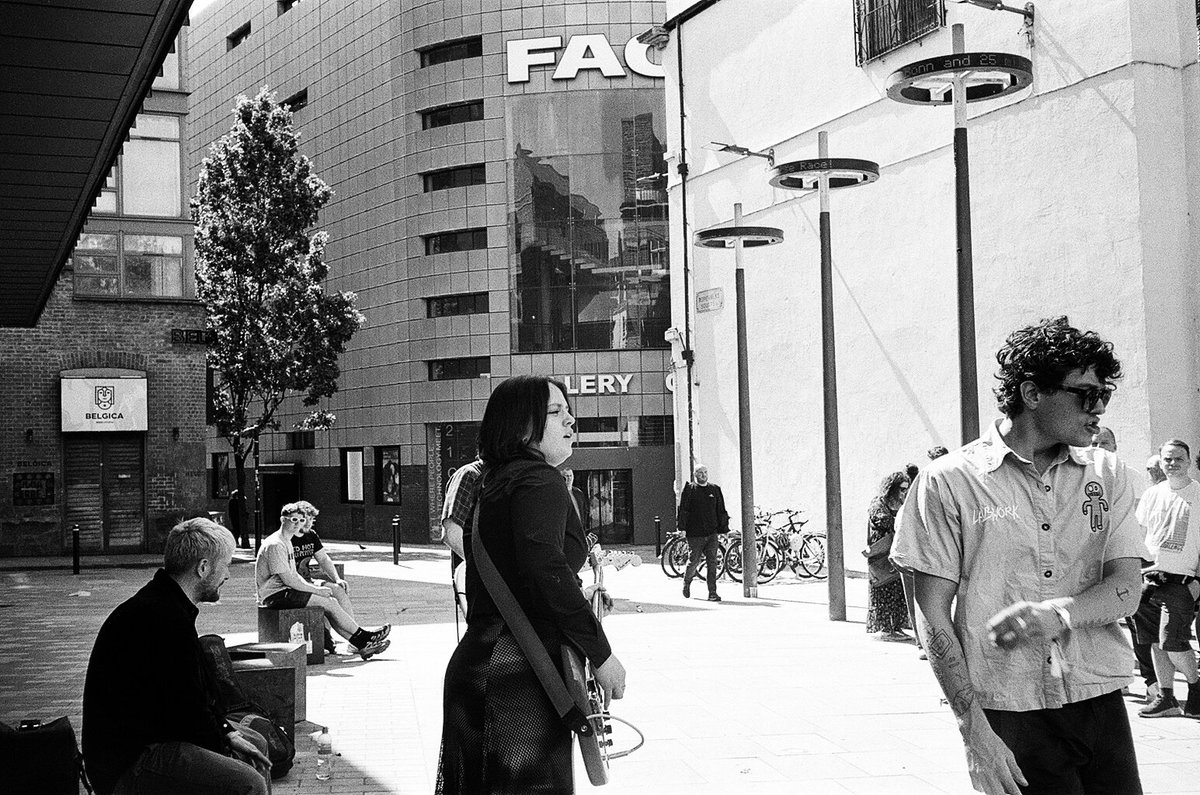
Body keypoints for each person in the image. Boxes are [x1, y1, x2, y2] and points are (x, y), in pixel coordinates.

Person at [893, 316, 1144, 795]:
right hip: (1009, 708)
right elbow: (930, 613)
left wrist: (1057, 614)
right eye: (1085, 395)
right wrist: (973, 730)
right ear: (1032, 394)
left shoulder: (1108, 473)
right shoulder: (949, 482)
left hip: (1099, 697)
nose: (1098, 411)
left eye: (1104, 396)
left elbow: (1127, 589)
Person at [436, 375, 626, 793]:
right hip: (519, 677)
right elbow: (546, 575)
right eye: (557, 412)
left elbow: (527, 577)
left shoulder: (495, 484)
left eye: (568, 410)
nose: (571, 420)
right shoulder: (538, 481)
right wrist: (603, 654)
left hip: (480, 663)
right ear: (524, 427)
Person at [82, 517, 272, 795]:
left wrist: (226, 732)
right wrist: (223, 743)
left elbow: (193, 697)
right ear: (203, 568)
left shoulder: (166, 604)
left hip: (154, 737)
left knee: (256, 741)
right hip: (129, 762)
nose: (228, 575)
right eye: (226, 565)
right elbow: (186, 710)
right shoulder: (162, 618)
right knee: (248, 781)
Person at [256, 502, 391, 660]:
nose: (297, 524)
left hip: (285, 591)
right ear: (282, 519)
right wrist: (316, 590)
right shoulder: (276, 544)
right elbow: (289, 579)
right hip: (276, 595)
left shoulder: (286, 541)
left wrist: (321, 587)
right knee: (329, 603)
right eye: (293, 520)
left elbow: (297, 574)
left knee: (331, 602)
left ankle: (361, 644)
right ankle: (363, 637)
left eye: (300, 521)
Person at [1130, 439, 1200, 718]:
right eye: (1167, 459)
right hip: (1150, 577)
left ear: (1189, 461)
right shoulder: (1152, 494)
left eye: (1178, 459)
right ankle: (1167, 697)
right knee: (1153, 641)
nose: (1172, 464)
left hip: (1182, 580)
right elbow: (1140, 534)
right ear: (1160, 462)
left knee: (1173, 641)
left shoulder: (1197, 494)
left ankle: (1195, 689)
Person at [289, 500, 354, 655]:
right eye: (309, 519)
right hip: (296, 585)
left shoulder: (311, 536)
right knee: (326, 599)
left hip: (309, 581)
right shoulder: (287, 538)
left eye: (312, 519)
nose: (311, 523)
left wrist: (337, 578)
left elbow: (323, 559)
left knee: (338, 590)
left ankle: (354, 639)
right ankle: (331, 640)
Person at [866, 470, 912, 641]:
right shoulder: (878, 504)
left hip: (896, 554)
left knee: (898, 591)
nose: (904, 492)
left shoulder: (901, 504)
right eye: (901, 489)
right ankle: (886, 629)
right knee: (884, 590)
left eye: (906, 489)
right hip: (882, 556)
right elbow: (886, 522)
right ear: (891, 488)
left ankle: (896, 626)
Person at [677, 464, 729, 602]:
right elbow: (683, 510)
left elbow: (721, 510)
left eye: (705, 472)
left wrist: (724, 529)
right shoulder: (690, 490)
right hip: (695, 534)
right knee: (693, 560)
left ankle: (712, 592)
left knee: (712, 563)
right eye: (700, 472)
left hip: (712, 533)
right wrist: (682, 528)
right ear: (695, 474)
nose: (703, 475)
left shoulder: (715, 489)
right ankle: (687, 582)